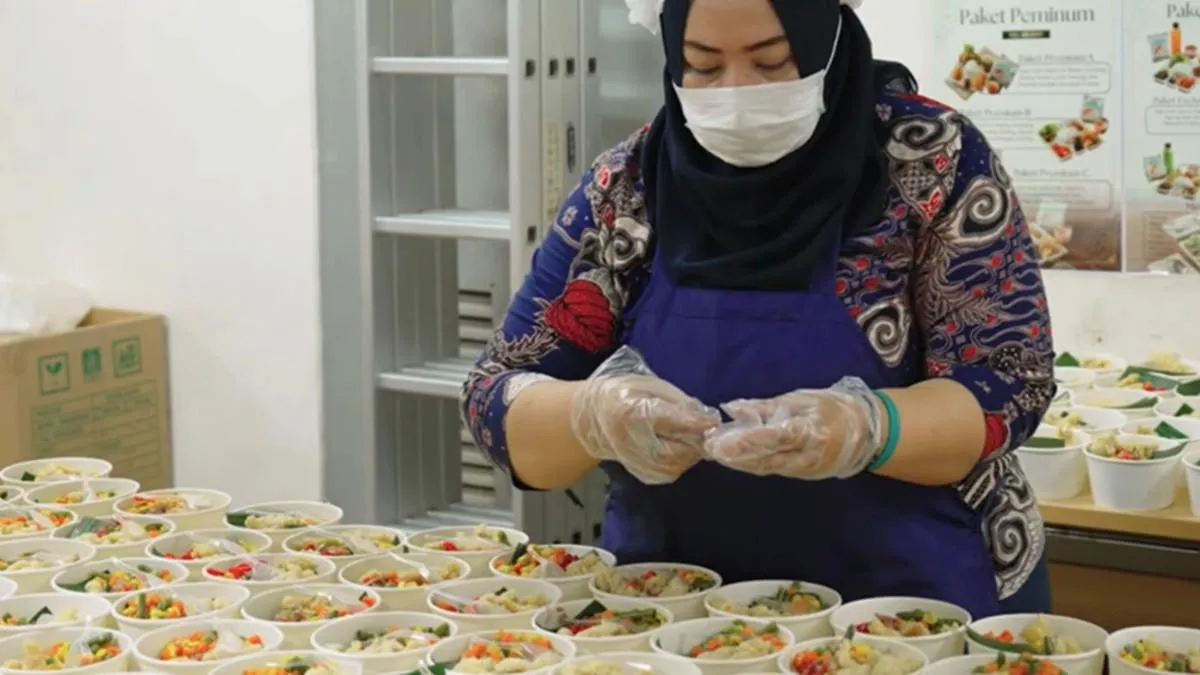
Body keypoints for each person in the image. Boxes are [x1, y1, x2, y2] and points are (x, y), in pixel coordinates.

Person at [460, 0, 1056, 617]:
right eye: (703, 66)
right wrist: (591, 416)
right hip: (675, 613)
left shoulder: (929, 163)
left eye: (773, 63)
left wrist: (866, 428)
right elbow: (494, 396)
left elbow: (1009, 382)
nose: (738, 94)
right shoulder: (628, 189)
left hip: (912, 610)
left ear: (825, 38)